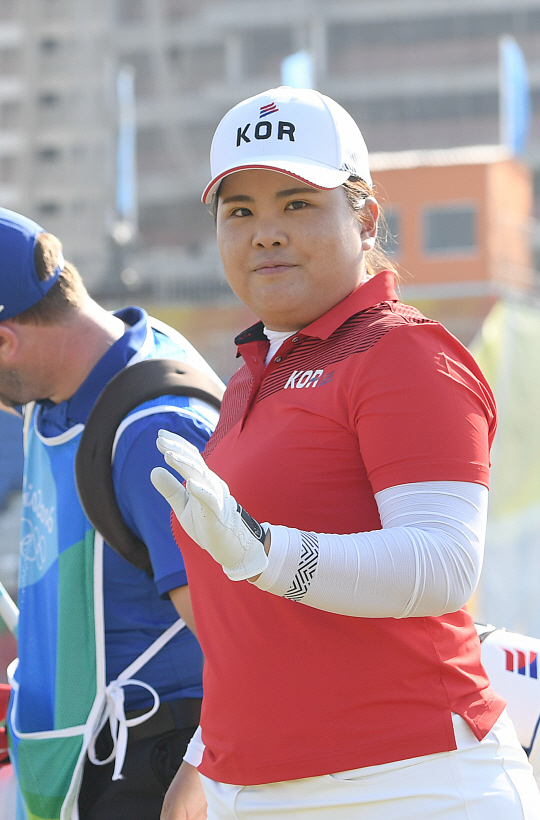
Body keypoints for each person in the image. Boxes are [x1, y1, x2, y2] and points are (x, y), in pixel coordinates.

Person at [151, 86, 540, 820]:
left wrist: (265, 552)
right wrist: (205, 761)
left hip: (410, 783)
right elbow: (259, 629)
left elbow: (443, 566)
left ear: (364, 218)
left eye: (297, 203)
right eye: (241, 212)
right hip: (253, 789)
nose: (266, 232)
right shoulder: (251, 375)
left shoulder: (403, 352)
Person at [0, 207, 224, 820]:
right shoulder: (54, 392)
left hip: (155, 765)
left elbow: (241, 636)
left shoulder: (154, 431)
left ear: (5, 341)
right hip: (87, 757)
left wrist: (201, 775)